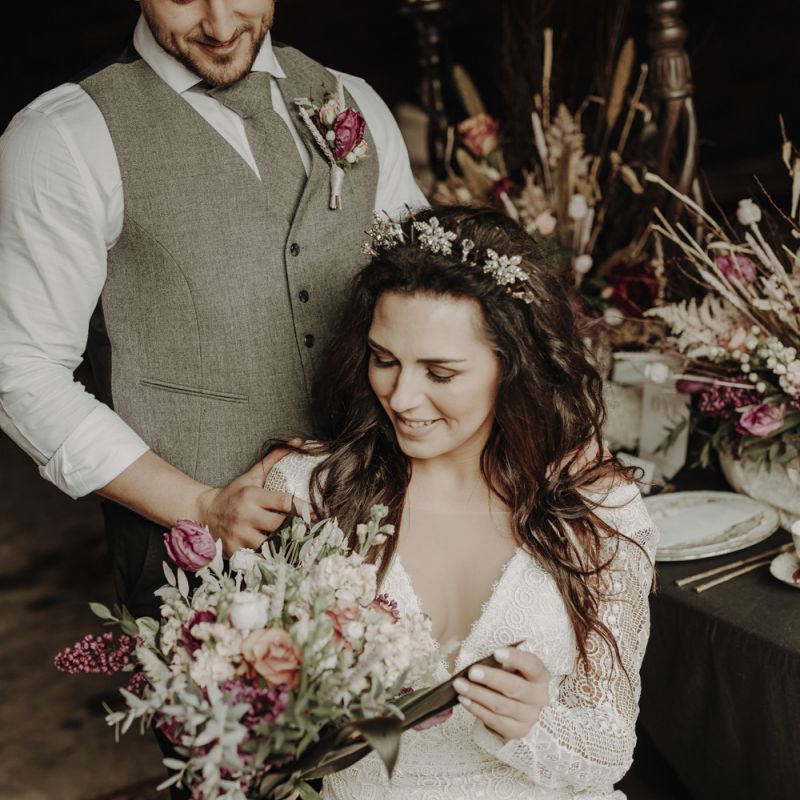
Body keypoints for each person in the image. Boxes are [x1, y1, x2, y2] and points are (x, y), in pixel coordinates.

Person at [0, 0, 426, 619]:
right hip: (199, 568)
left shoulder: (353, 101)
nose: (221, 27)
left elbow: (429, 299)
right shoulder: (63, 135)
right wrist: (197, 506)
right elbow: (21, 369)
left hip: (391, 533)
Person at [265, 205, 659, 799]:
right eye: (384, 359)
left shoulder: (598, 506)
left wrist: (533, 722)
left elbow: (607, 752)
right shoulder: (309, 490)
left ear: (513, 367)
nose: (401, 396)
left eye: (440, 373)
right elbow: (268, 729)